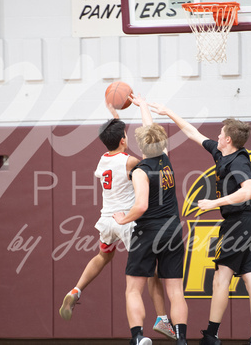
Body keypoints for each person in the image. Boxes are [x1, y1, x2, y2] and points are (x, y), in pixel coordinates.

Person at [149, 103, 251, 345]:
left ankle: (212, 335)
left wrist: (215, 203)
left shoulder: (238, 161)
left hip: (238, 223)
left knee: (221, 278)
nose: (218, 135)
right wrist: (169, 112)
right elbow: (193, 133)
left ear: (229, 139)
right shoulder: (221, 153)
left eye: (221, 133)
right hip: (248, 223)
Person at [59, 102, 176, 340]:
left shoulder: (102, 161)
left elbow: (115, 145)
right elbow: (147, 151)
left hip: (106, 219)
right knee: (151, 271)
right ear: (123, 140)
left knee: (103, 255)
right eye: (125, 135)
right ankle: (163, 320)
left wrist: (114, 118)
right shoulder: (131, 162)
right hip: (126, 220)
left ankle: (76, 290)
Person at [113, 96, 188, 345]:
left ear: (142, 147)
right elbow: (153, 133)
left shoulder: (141, 171)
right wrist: (143, 105)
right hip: (173, 231)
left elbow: (142, 205)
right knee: (176, 291)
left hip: (148, 232)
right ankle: (181, 340)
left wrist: (124, 220)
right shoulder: (165, 160)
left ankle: (138, 337)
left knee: (133, 289)